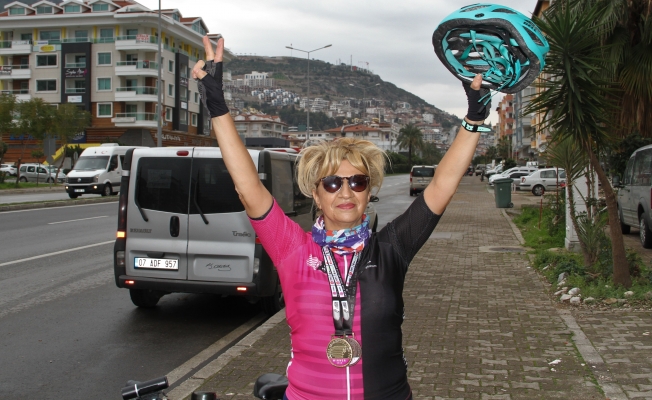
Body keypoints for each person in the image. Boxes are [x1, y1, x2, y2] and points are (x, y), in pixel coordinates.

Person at [192, 36, 490, 400]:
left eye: (357, 182)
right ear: (316, 194)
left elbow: (442, 184)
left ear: (368, 191)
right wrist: (217, 105)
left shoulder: (391, 249)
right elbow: (247, 186)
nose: (345, 192)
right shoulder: (292, 249)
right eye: (332, 182)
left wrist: (474, 120)